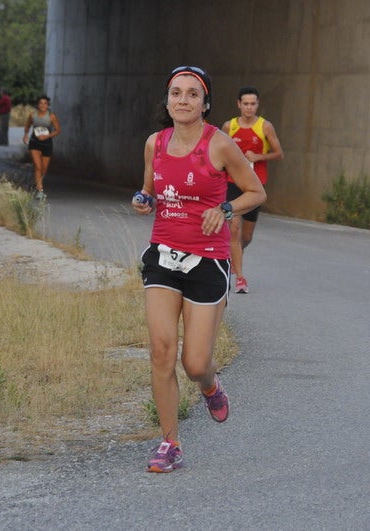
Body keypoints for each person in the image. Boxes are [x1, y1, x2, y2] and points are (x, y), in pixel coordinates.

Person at [132, 66, 266, 473]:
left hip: (207, 260)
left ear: (205, 103)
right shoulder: (155, 143)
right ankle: (170, 442)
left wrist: (225, 209)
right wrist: (142, 199)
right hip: (164, 256)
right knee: (161, 352)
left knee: (194, 363)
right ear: (167, 100)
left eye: (192, 94)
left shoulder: (220, 145)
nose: (183, 100)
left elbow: (256, 191)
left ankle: (209, 385)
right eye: (176, 93)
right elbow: (150, 190)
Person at [221, 86, 284, 293]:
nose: (249, 107)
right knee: (234, 230)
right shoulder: (229, 127)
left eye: (253, 104)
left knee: (246, 237)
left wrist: (258, 157)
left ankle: (234, 256)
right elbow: (219, 153)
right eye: (245, 103)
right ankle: (240, 278)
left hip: (255, 186)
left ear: (257, 105)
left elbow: (279, 153)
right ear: (239, 104)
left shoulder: (265, 127)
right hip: (232, 184)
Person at [22, 95, 61, 200]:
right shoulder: (32, 115)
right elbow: (27, 126)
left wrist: (47, 136)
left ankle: (36, 183)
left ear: (48, 105)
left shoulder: (51, 116)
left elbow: (58, 130)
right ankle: (40, 191)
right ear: (37, 105)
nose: (43, 105)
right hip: (34, 143)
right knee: (38, 166)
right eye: (41, 103)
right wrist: (26, 135)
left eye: (45, 103)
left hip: (47, 144)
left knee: (43, 169)